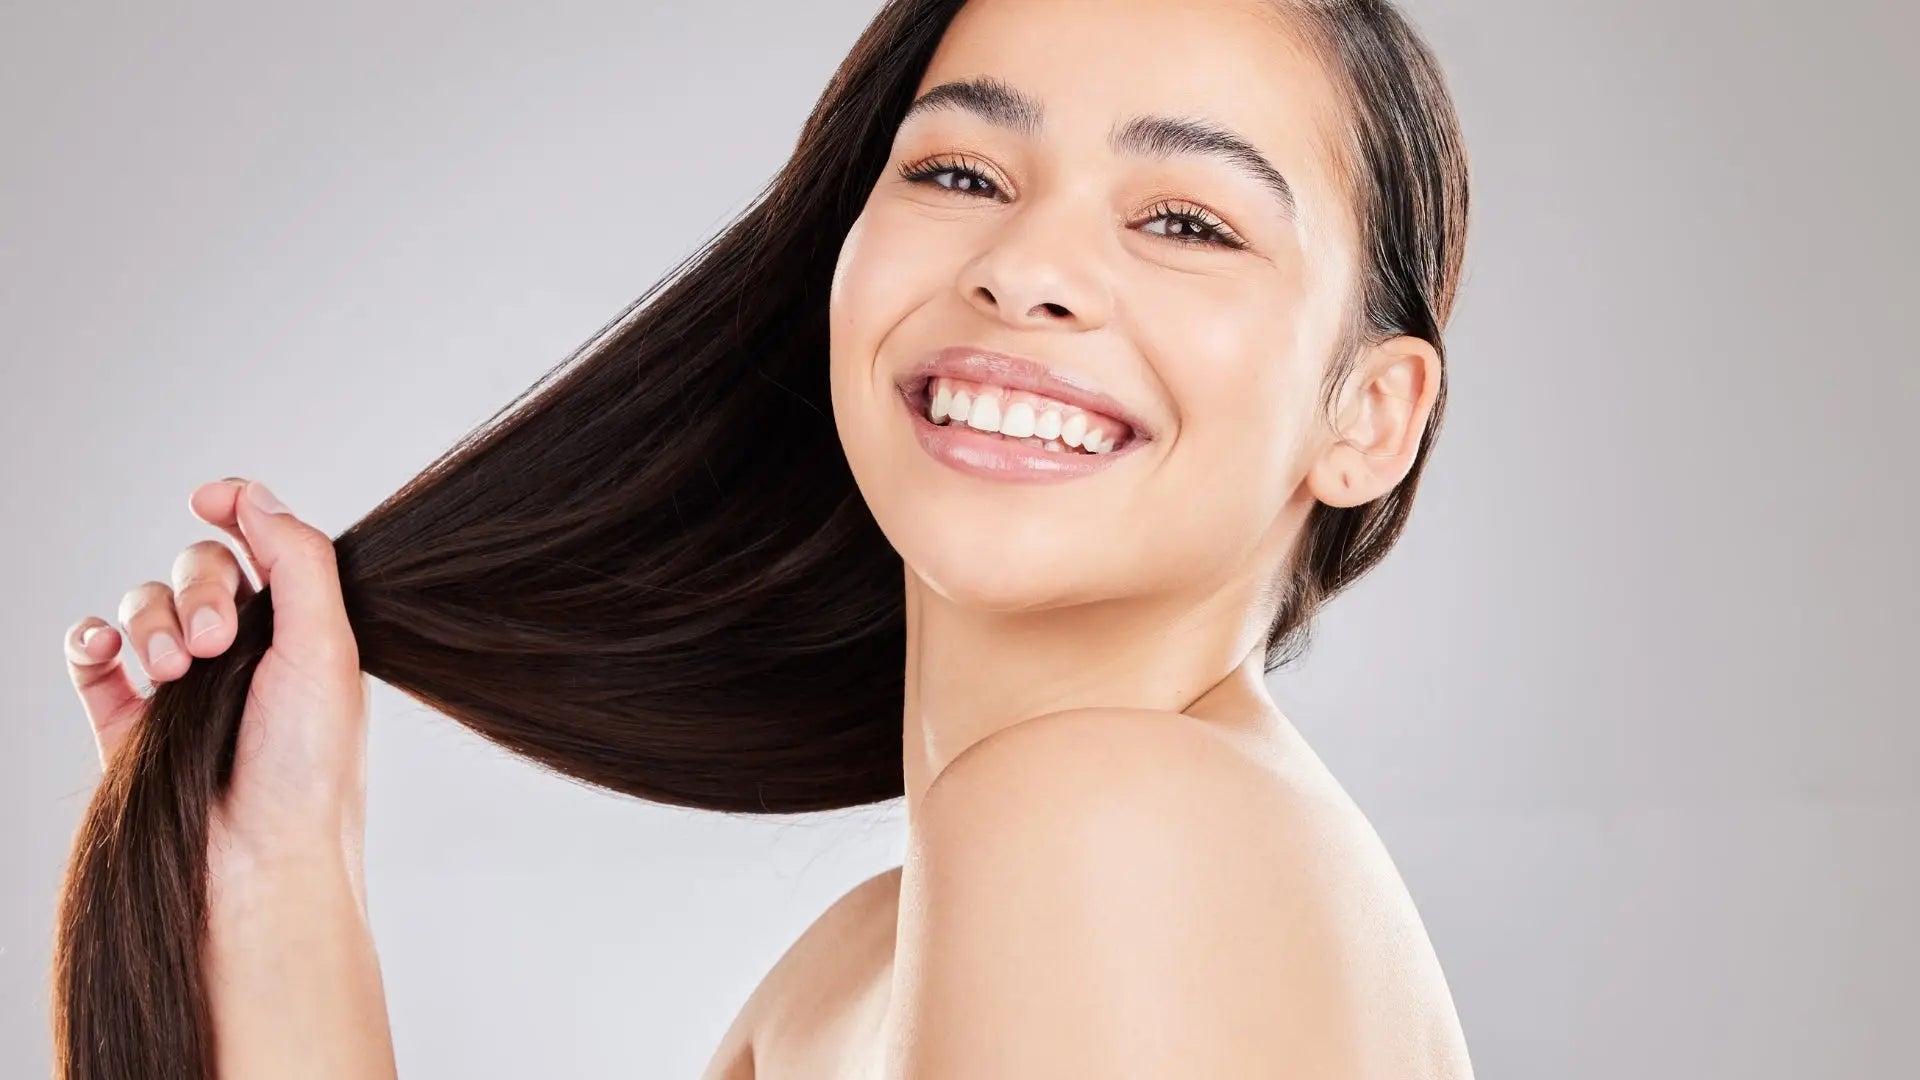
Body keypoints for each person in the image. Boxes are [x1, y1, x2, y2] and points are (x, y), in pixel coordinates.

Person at [56, 0, 1472, 1076]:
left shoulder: (1115, 825)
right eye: (961, 174)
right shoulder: (862, 955)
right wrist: (270, 872)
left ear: (1370, 416)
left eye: (1186, 220)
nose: (1026, 268)